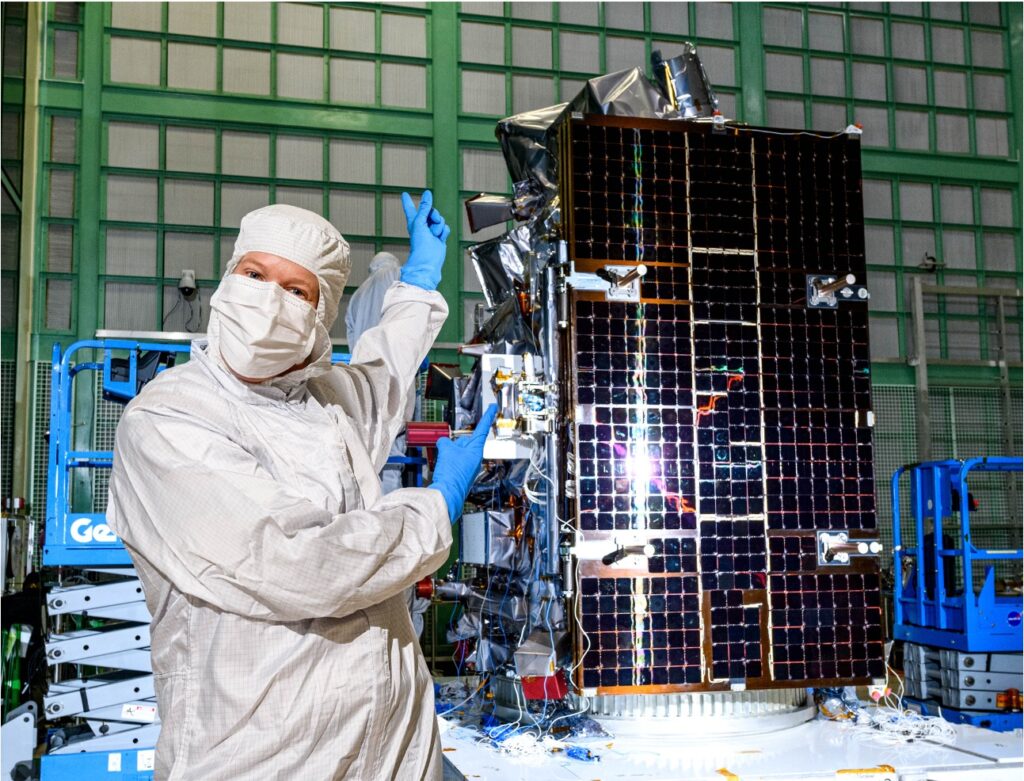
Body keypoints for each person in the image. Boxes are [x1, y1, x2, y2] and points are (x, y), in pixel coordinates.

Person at [107, 193, 497, 780]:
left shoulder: (323, 404)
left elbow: (384, 373)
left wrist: (417, 282)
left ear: (321, 314)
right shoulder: (170, 419)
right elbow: (294, 559)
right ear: (227, 279)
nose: (269, 300)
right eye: (255, 274)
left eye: (297, 291)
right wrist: (435, 506)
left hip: (392, 752)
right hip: (265, 761)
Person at [346, 251, 431, 638]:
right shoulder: (390, 286)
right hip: (390, 412)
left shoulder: (358, 296)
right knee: (398, 542)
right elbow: (404, 340)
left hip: (366, 409)